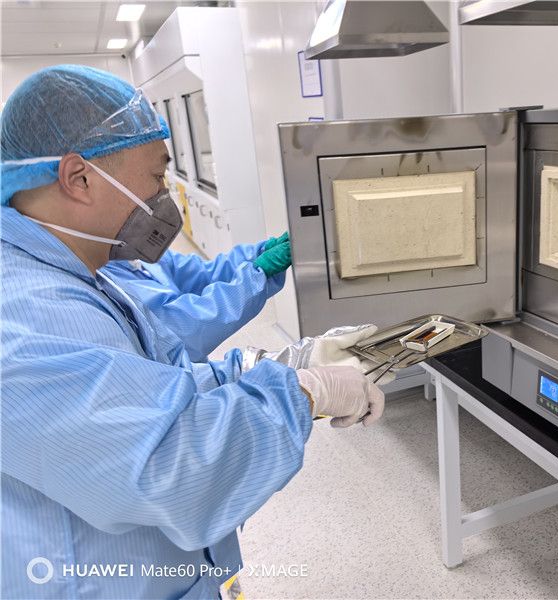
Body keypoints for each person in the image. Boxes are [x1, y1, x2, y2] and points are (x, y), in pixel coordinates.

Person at [0, 65, 384, 599]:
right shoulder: (26, 321)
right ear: (78, 178)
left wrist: (288, 365)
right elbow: (176, 468)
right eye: (156, 176)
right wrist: (302, 394)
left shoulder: (76, 268)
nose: (164, 195)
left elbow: (158, 384)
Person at [101, 233, 291, 361]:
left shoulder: (129, 253)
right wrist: (258, 273)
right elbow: (184, 328)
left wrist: (259, 254)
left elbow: (203, 273)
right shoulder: (109, 283)